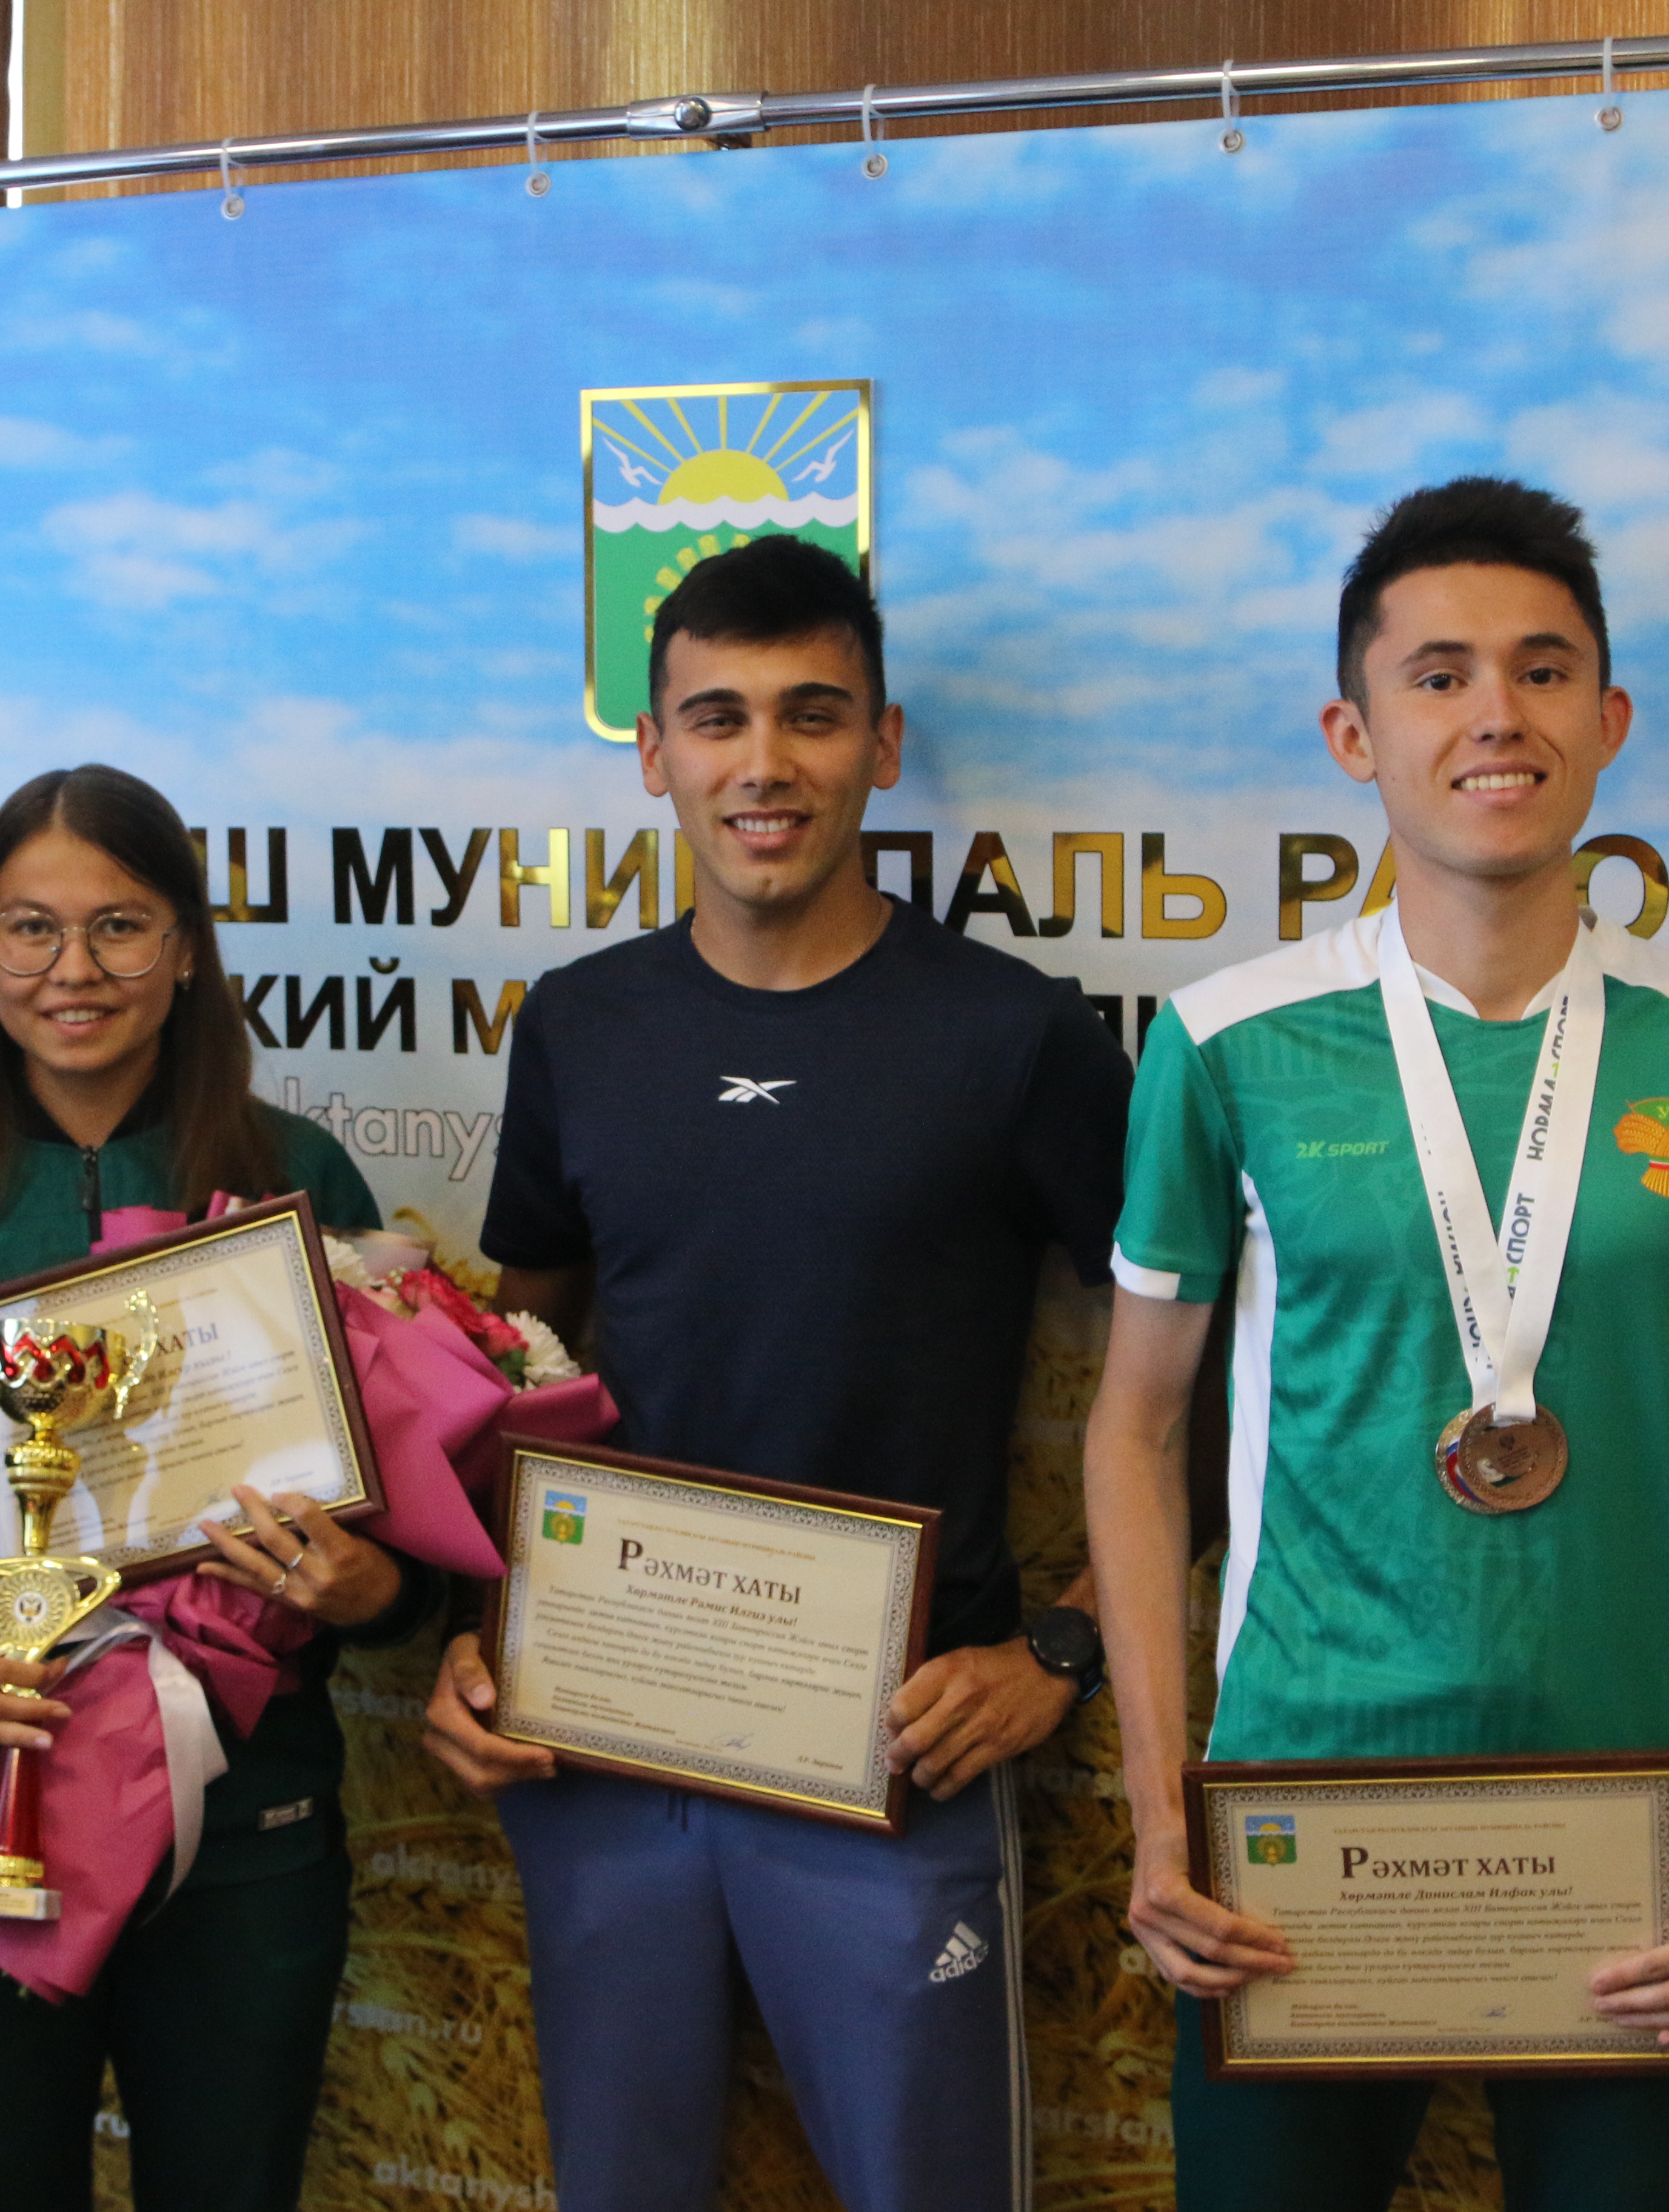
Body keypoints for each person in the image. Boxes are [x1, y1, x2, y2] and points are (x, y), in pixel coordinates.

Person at [1086, 477, 1669, 2210]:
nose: (1496, 715)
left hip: (1646, 1850)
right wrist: (1161, 1817)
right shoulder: (1225, 1043)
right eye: (1439, 676)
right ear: (1354, 734)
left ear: (1609, 719)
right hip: (1292, 1839)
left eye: (1543, 670)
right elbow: (1137, 1430)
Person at [422, 535, 1135, 2212]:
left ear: (882, 746)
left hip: (896, 1745)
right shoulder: (581, 1026)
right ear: (653, 752)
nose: (765, 763)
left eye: (814, 716)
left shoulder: (1017, 1036)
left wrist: (1063, 1643)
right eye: (719, 718)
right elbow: (518, 1368)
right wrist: (477, 1627)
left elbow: (1201, 1384)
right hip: (606, 1740)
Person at [0, 763, 444, 2212]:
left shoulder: (298, 1180)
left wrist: (375, 1591)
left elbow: (408, 1520)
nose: (72, 970)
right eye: (30, 928)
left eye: (120, 926)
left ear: (188, 948)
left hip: (246, 1828)